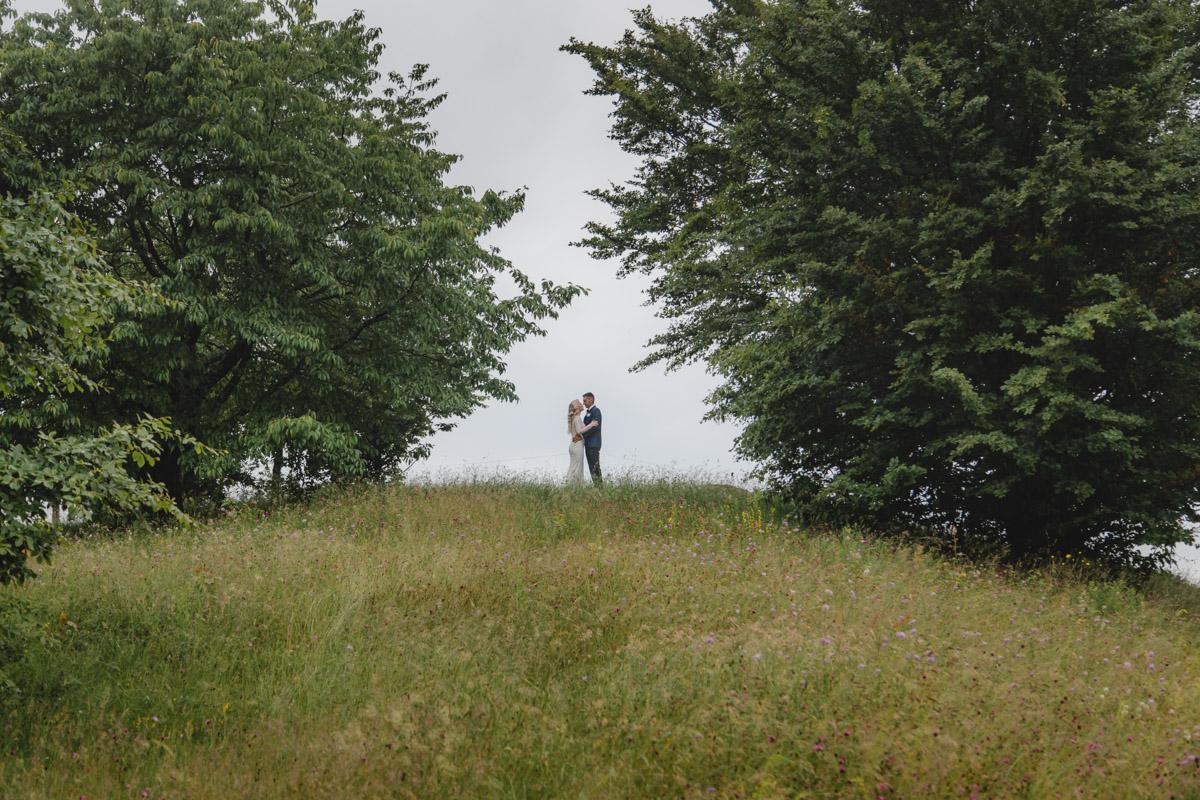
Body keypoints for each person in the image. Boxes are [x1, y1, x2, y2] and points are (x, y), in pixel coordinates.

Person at [580, 391, 602, 486]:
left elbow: (594, 427)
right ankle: (597, 486)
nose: (583, 403)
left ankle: (600, 487)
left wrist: (582, 436)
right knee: (591, 466)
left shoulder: (596, 411)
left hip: (594, 443)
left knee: (595, 466)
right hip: (588, 444)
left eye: (585, 400)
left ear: (591, 399)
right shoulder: (587, 413)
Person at [566, 399, 588, 484]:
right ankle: (574, 487)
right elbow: (579, 431)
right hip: (577, 445)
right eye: (579, 403)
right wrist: (591, 424)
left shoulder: (574, 418)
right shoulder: (577, 418)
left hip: (573, 445)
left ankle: (569, 485)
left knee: (573, 467)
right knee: (578, 467)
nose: (582, 403)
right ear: (577, 407)